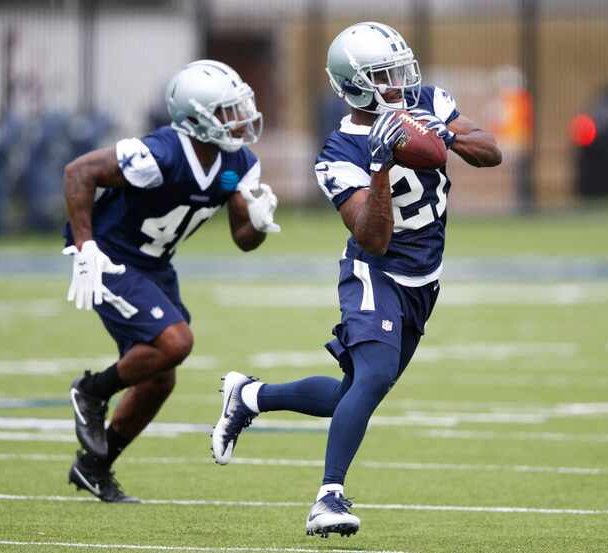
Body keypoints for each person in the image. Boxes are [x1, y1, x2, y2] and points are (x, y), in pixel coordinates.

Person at [211, 21, 501, 537]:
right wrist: (382, 165)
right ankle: (328, 497)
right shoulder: (336, 156)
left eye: (399, 70)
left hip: (424, 277)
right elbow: (373, 238)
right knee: (371, 377)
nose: (400, 82)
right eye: (386, 75)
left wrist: (444, 134)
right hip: (376, 272)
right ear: (356, 84)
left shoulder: (427, 100)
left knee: (358, 389)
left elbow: (489, 150)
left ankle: (251, 397)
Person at [64, 59, 280, 503]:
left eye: (240, 107)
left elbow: (243, 241)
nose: (239, 119)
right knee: (176, 343)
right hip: (111, 258)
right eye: (227, 111)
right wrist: (85, 247)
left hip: (155, 265)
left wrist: (257, 220)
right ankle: (91, 392)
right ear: (196, 117)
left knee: (161, 376)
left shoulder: (237, 163)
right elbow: (78, 173)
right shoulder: (158, 153)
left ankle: (93, 467)